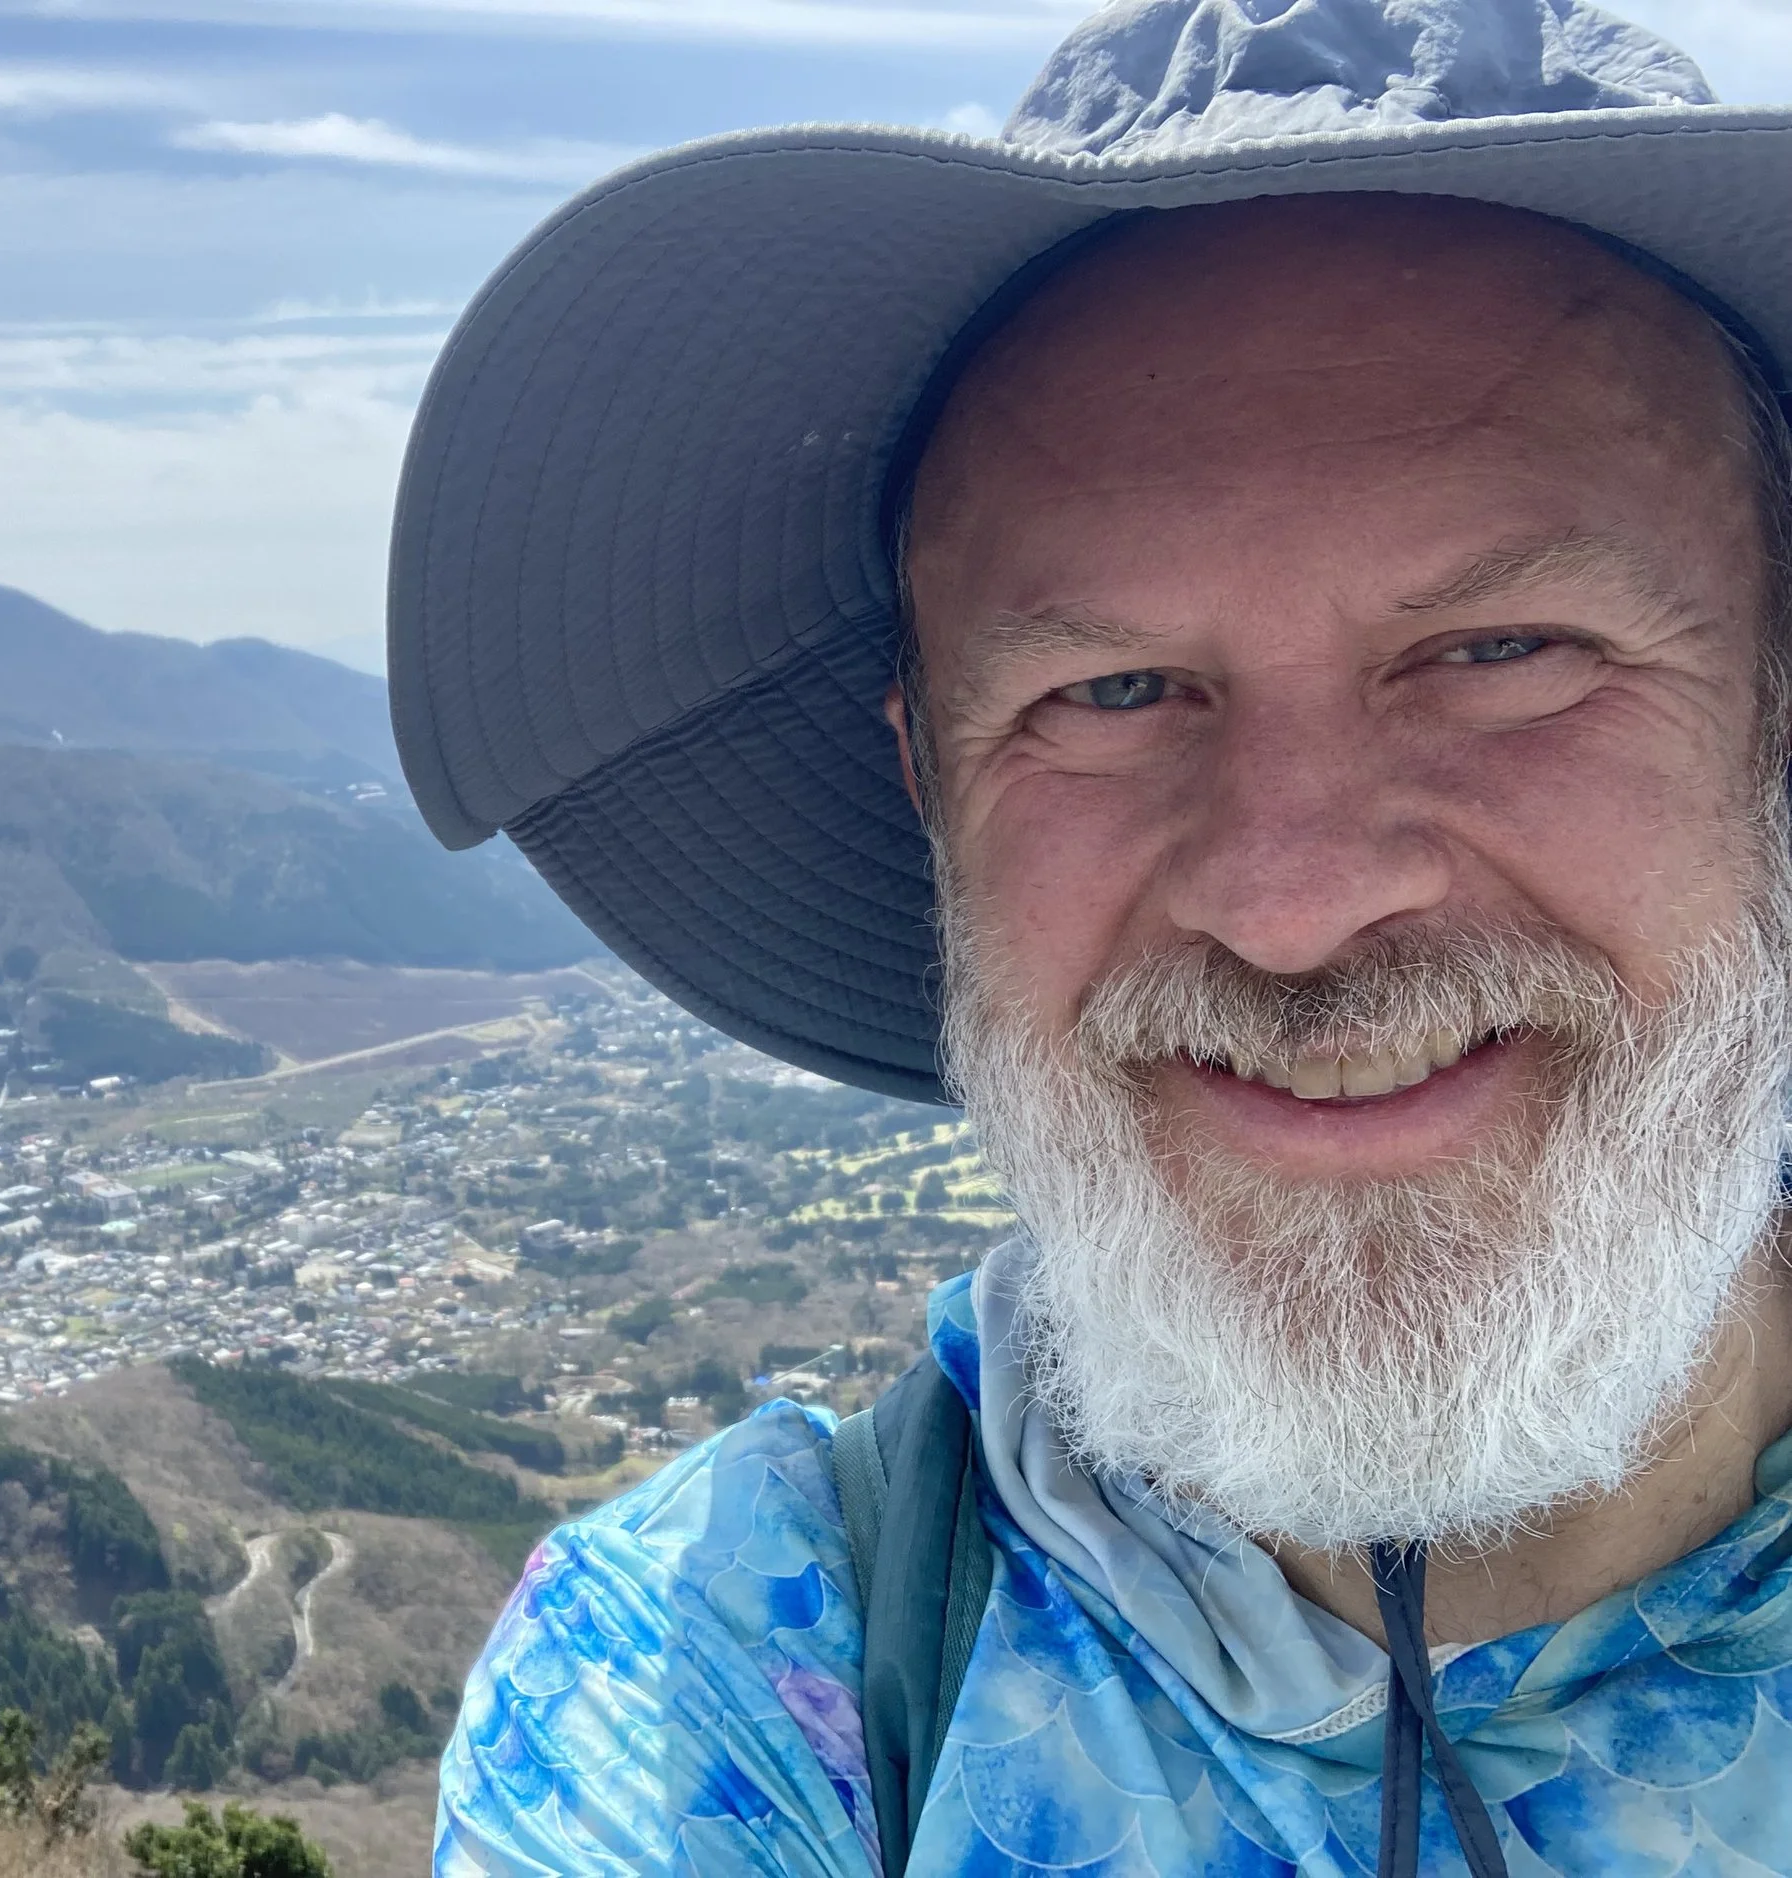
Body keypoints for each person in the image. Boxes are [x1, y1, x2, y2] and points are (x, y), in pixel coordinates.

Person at [384, 0, 1792, 1870]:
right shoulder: (718, 1677)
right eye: (1110, 690)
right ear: (933, 791)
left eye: (1505, 648)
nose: (1290, 902)